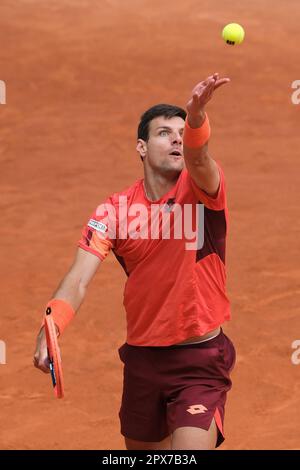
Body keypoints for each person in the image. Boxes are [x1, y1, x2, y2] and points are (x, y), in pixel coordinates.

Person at [34, 73, 236, 450]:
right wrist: (52, 326)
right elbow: (78, 279)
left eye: (181, 132)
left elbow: (200, 155)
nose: (176, 138)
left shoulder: (204, 189)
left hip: (200, 361)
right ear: (141, 147)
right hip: (143, 361)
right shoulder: (115, 210)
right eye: (164, 133)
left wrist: (195, 118)